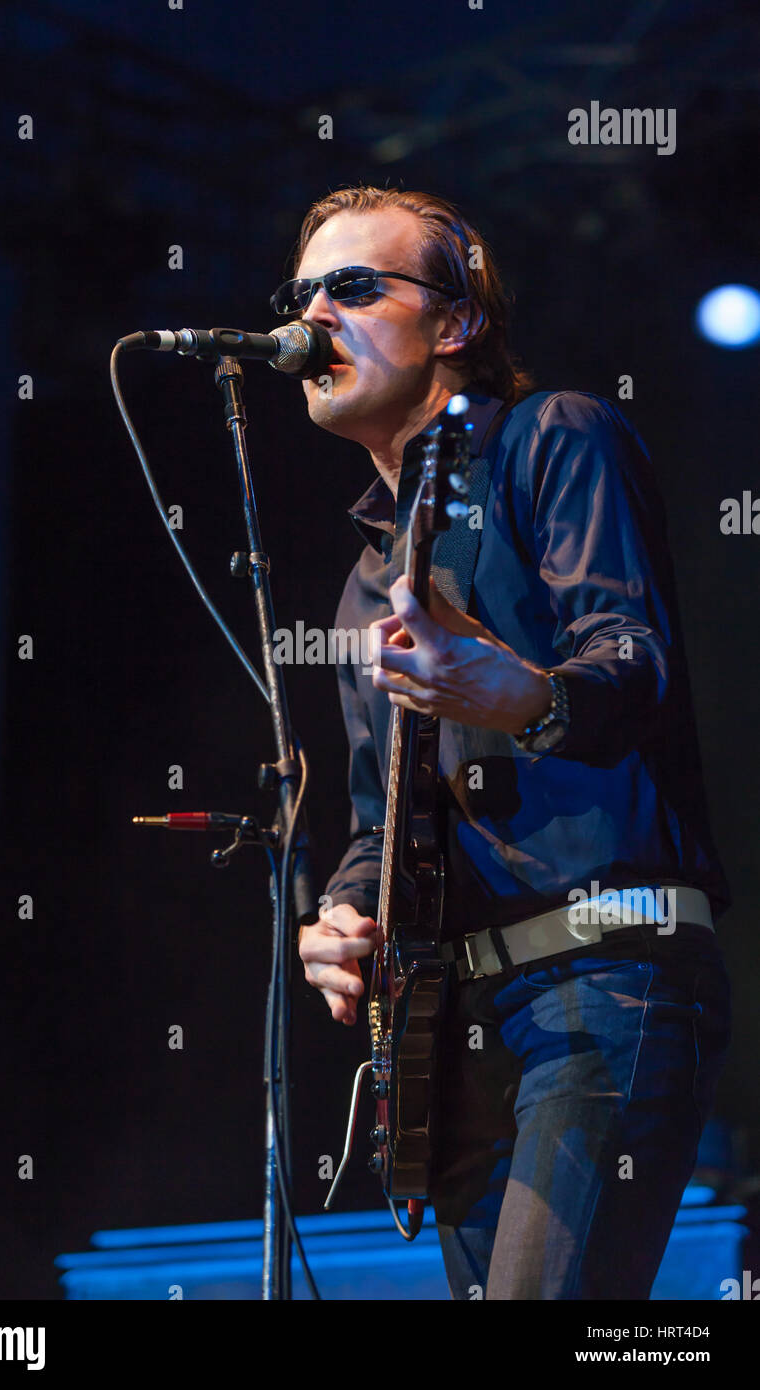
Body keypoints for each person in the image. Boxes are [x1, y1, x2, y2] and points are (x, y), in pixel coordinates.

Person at [285, 185, 731, 1300]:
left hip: (602, 973)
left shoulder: (556, 435)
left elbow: (634, 659)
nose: (314, 316)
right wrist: (342, 914)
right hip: (456, 1024)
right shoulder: (361, 579)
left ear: (454, 321)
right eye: (300, 294)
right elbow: (380, 816)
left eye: (353, 286)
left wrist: (520, 695)